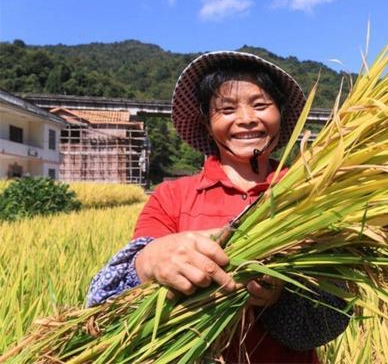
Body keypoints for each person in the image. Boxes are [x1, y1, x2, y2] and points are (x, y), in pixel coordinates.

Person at [87, 51, 350, 363]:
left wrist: (281, 297)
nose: (246, 118)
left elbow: (335, 312)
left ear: (281, 113)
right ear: (207, 123)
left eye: (261, 105)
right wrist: (148, 262)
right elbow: (118, 308)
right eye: (226, 109)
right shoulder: (171, 197)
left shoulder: (313, 192)